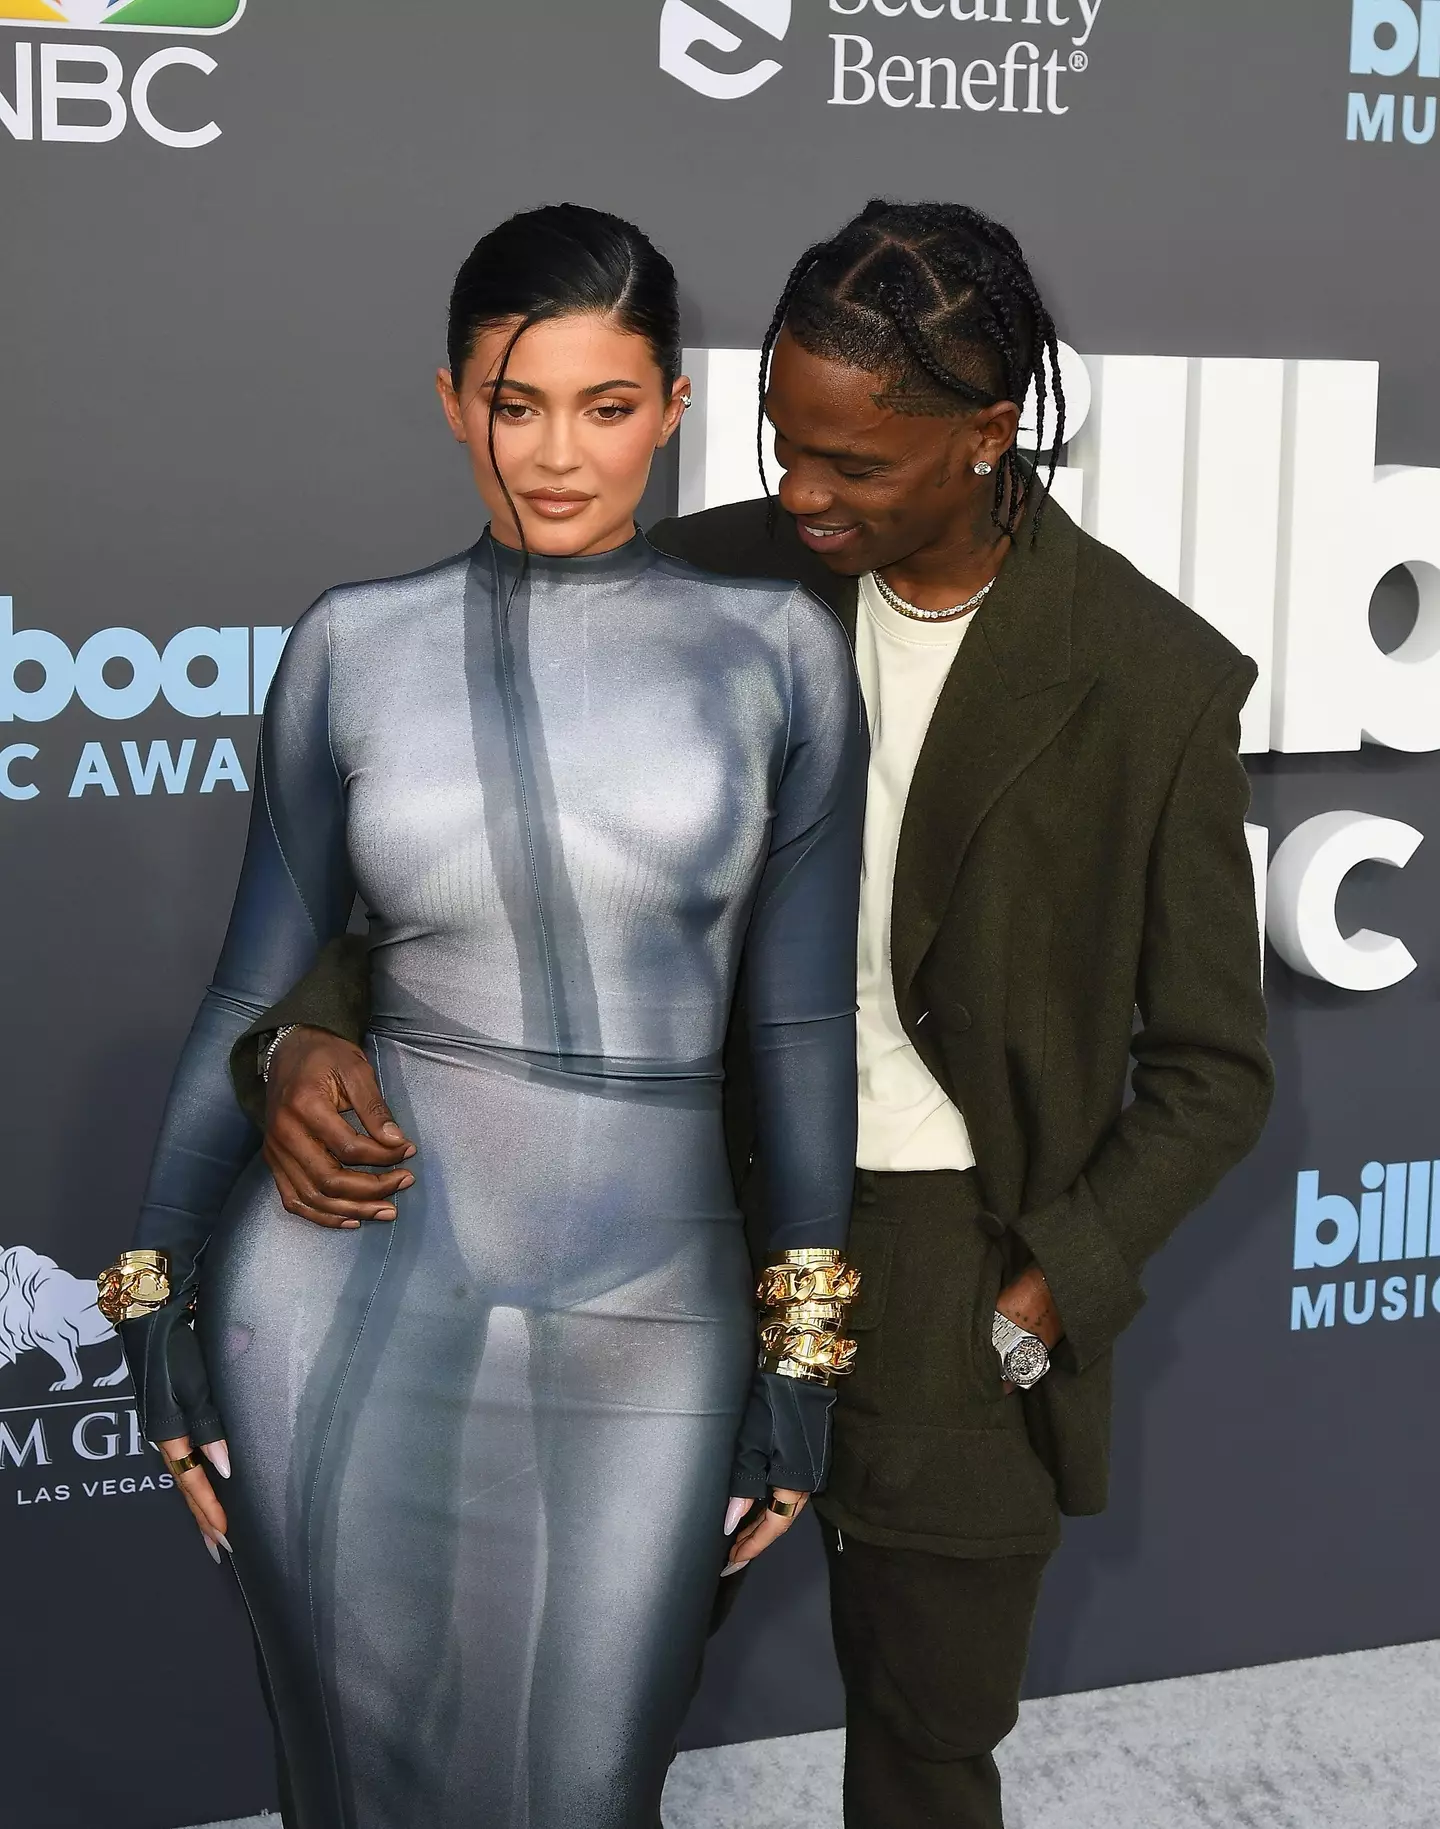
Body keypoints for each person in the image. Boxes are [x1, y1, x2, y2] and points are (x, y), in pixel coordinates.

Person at [207, 202, 1275, 1828]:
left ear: (989, 435)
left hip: (951, 1266)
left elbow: (1211, 1064)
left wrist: (1052, 1283)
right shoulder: (695, 577)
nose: (800, 494)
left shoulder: (1153, 676)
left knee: (928, 1749)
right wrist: (301, 1031)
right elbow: (460, 893)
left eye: (855, 464)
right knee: (527, 1717)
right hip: (669, 1233)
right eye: (785, 443)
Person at [96, 203, 867, 1829]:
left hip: (652, 1305)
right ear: (452, 401)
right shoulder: (349, 649)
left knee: (583, 1789)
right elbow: (249, 987)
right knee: (357, 1787)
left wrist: (805, 1346)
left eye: (606, 406)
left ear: (673, 406)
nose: (556, 456)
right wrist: (153, 1298)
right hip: (340, 1291)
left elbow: (796, 1029)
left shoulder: (777, 653)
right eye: (515, 407)